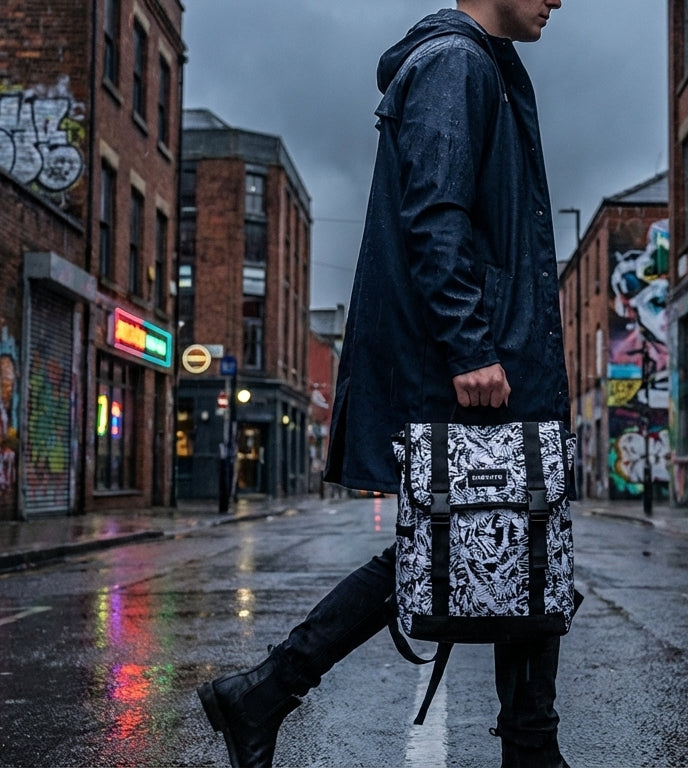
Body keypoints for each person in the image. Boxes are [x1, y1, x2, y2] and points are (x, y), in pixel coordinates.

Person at [197, 1, 571, 765]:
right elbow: (435, 217)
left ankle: (267, 692)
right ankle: (265, 689)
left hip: (501, 358)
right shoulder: (456, 66)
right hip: (478, 368)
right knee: (483, 539)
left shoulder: (490, 69)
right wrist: (471, 349)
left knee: (521, 540)